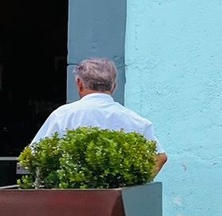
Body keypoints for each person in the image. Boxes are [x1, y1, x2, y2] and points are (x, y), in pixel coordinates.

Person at [30, 58, 168, 174]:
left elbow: (34, 155)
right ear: (114, 86)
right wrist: (136, 184)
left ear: (79, 84)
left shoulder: (63, 115)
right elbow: (160, 157)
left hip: (70, 198)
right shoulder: (136, 121)